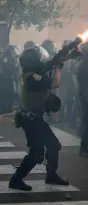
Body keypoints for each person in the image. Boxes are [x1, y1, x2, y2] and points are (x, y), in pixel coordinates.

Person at [9, 47, 69, 191]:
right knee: (38, 152)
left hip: (32, 118)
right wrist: (57, 68)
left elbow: (43, 71)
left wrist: (57, 61)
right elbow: (55, 84)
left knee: (51, 145)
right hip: (32, 119)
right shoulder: (32, 78)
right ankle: (16, 180)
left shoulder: (29, 74)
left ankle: (51, 175)